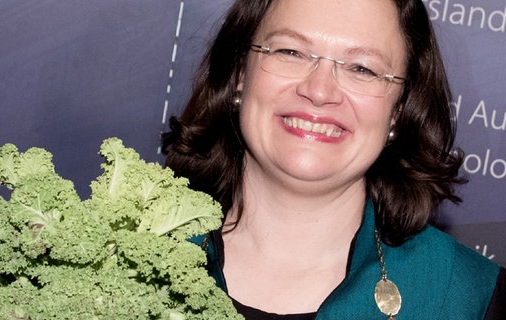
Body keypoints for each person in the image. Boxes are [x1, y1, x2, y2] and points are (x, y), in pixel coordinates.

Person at [162, 0, 506, 318]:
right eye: (291, 51)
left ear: (398, 111)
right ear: (240, 73)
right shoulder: (123, 248)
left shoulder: (473, 300)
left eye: (362, 69)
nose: (319, 91)